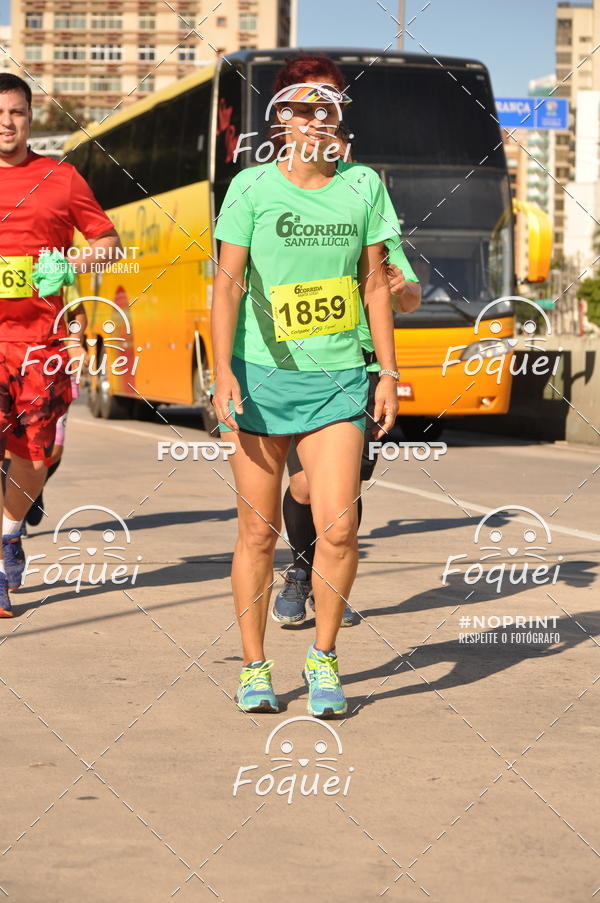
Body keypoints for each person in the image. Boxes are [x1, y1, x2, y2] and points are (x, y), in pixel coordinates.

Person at [211, 53, 400, 717]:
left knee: (341, 526)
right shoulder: (252, 189)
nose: (314, 119)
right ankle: (254, 665)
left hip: (339, 378)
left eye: (327, 107)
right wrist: (222, 368)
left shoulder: (363, 187)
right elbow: (228, 283)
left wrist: (389, 371)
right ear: (280, 118)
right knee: (257, 534)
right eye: (300, 106)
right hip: (262, 380)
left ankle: (322, 656)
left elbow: (377, 284)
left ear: (340, 117)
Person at [272, 124, 421, 628]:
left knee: (347, 492)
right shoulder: (301, 221)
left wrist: (401, 289)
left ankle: (326, 581)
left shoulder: (373, 229)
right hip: (303, 366)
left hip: (361, 369)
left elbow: (410, 296)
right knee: (305, 487)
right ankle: (299, 569)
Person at [0, 73, 120, 617]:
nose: (7, 122)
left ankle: (8, 535)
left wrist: (69, 263)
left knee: (32, 455)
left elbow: (110, 244)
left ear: (31, 117)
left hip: (40, 345)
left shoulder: (61, 178)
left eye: (17, 112)